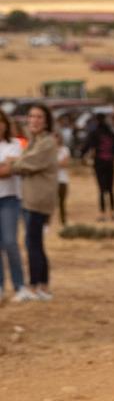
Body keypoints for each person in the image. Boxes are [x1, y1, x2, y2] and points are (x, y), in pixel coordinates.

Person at [9, 104, 59, 300]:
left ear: (46, 121)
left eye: (38, 117)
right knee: (34, 243)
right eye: (31, 116)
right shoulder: (34, 141)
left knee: (33, 244)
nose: (34, 120)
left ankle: (38, 286)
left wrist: (13, 162)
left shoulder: (47, 143)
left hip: (38, 200)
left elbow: (26, 164)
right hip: (30, 198)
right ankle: (40, 285)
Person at [0, 108, 25, 301]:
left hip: (9, 199)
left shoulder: (15, 144)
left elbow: (10, 171)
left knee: (10, 242)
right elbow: (6, 168)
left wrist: (8, 167)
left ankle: (19, 284)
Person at [85, 112, 114, 220]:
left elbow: (91, 149)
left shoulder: (94, 133)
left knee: (101, 189)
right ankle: (113, 213)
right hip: (110, 163)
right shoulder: (111, 132)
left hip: (99, 164)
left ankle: (103, 214)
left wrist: (87, 159)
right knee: (111, 189)